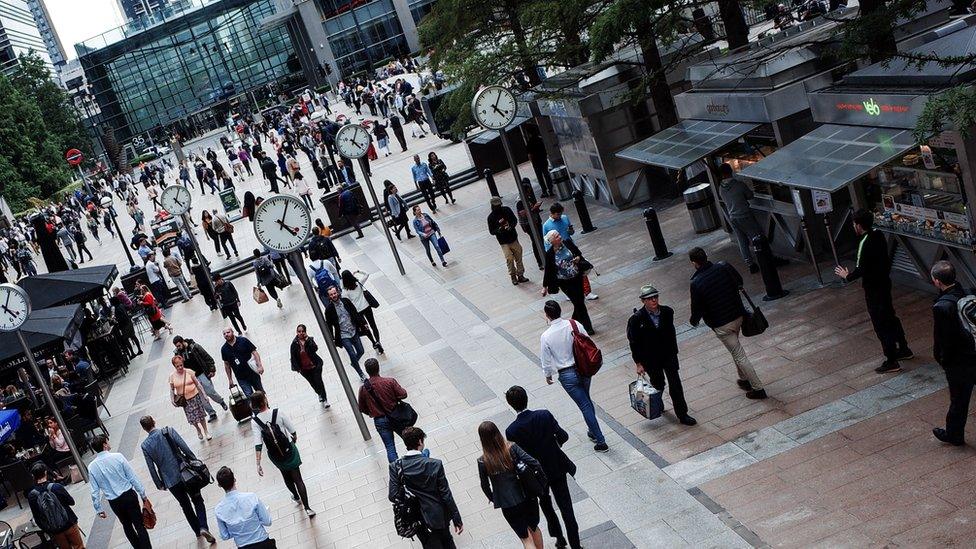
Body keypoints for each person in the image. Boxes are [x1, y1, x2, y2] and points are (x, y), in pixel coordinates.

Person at [834, 209, 912, 373]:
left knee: (881, 323)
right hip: (884, 283)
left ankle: (891, 360)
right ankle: (903, 348)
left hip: (874, 288)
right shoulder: (878, 235)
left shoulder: (864, 242)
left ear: (859, 225)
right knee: (890, 317)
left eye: (854, 224)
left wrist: (846, 276)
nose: (853, 227)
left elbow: (860, 268)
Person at [505, 386, 580, 549]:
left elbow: (517, 457)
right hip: (556, 467)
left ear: (510, 404)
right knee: (566, 507)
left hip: (536, 476)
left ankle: (559, 538)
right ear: (526, 398)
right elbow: (563, 435)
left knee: (547, 506)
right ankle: (575, 544)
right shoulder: (544, 415)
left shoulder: (511, 430)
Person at [688, 247, 767, 399]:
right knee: (736, 351)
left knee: (739, 355)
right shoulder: (723, 267)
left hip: (722, 324)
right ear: (706, 256)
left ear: (694, 263)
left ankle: (758, 388)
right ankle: (744, 380)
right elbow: (739, 282)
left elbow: (697, 308)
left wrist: (694, 321)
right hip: (738, 315)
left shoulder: (696, 283)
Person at [540, 300, 608, 452]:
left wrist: (548, 374)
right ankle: (592, 431)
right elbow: (587, 341)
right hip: (583, 368)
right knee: (587, 401)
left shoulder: (546, 336)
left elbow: (545, 359)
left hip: (566, 374)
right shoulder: (574, 324)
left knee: (584, 404)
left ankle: (601, 440)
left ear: (547, 315)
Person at [139, 416, 216, 543]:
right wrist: (194, 460)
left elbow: (151, 467)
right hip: (185, 473)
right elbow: (184, 447)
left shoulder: (145, 445)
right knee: (197, 499)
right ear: (154, 422)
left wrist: (159, 483)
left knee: (185, 505)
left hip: (170, 480)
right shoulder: (168, 431)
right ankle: (203, 526)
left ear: (144, 429)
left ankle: (197, 531)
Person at [627, 285, 696, 425]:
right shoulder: (636, 319)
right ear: (643, 301)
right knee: (658, 383)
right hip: (651, 359)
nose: (654, 300)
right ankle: (659, 402)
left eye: (655, 297)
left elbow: (671, 333)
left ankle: (682, 414)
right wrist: (638, 363)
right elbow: (633, 343)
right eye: (649, 298)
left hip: (668, 354)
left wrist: (673, 351)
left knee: (675, 384)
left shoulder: (667, 312)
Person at [388, 427, 463, 548]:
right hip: (438, 515)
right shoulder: (435, 464)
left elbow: (393, 496)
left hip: (415, 518)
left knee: (427, 544)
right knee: (447, 541)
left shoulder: (395, 466)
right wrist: (456, 517)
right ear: (420, 441)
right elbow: (446, 494)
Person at [477, 421, 544, 549]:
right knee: (534, 528)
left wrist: (494, 497)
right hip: (526, 495)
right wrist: (540, 482)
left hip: (507, 503)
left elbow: (484, 485)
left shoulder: (483, 461)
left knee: (525, 538)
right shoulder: (511, 447)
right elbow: (534, 463)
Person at [929, 261, 975, 446]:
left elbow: (944, 339)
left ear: (938, 282)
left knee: (959, 399)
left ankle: (954, 434)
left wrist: (942, 359)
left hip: (960, 362)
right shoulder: (970, 292)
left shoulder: (942, 306)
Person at [250, 391, 316, 517]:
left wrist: (258, 463)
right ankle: (307, 508)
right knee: (298, 479)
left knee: (286, 476)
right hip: (289, 450)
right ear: (265, 400)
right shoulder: (278, 412)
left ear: (255, 405)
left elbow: (258, 443)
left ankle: (296, 496)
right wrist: (293, 441)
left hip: (275, 455)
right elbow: (293, 431)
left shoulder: (255, 422)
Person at [88, 434, 152, 548]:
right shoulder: (118, 457)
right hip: (128, 495)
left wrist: (98, 508)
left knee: (127, 526)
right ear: (104, 445)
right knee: (139, 525)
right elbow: (132, 477)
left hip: (114, 501)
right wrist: (143, 495)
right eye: (107, 441)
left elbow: (94, 490)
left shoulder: (92, 467)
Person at [541, 231, 593, 333]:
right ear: (551, 241)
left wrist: (578, 258)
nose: (559, 237)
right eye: (556, 237)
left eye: (559, 235)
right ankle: (588, 328)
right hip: (564, 283)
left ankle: (572, 324)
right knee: (579, 303)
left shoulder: (568, 243)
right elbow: (548, 270)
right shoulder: (550, 254)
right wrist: (544, 286)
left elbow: (578, 253)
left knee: (580, 301)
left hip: (576, 277)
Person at [358, 358, 408, 462]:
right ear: (378, 368)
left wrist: (372, 411)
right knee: (410, 441)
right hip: (396, 416)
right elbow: (403, 394)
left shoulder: (363, 389)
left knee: (390, 448)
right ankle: (419, 462)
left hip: (380, 421)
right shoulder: (389, 381)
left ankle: (397, 470)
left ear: (367, 371)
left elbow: (362, 408)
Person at [718, 163, 764, 273]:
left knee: (742, 241)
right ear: (731, 171)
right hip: (745, 215)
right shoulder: (739, 185)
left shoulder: (721, 188)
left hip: (733, 217)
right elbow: (750, 196)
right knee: (757, 237)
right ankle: (765, 258)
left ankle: (750, 263)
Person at [214, 466, 276, 548]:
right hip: (263, 542)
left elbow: (225, 536)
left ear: (219, 485)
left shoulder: (219, 510)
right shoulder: (251, 497)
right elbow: (267, 521)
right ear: (234, 480)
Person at [27, 462, 85, 549]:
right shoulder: (56, 487)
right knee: (79, 547)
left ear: (33, 476)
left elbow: (37, 517)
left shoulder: (32, 495)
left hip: (54, 530)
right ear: (45, 473)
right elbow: (71, 502)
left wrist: (48, 530)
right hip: (69, 522)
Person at [174, 335, 227, 422]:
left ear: (183, 341)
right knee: (201, 397)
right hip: (191, 378)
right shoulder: (177, 353)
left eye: (179, 345)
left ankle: (221, 401)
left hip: (202, 373)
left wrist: (212, 369)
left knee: (210, 392)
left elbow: (206, 357)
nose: (178, 348)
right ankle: (211, 413)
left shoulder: (194, 347)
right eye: (176, 346)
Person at [323, 285, 367, 381]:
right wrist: (332, 338)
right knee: (351, 353)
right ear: (329, 296)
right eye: (331, 294)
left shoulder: (346, 301)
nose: (334, 295)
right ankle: (361, 373)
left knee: (361, 351)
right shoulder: (329, 310)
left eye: (334, 293)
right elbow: (329, 325)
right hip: (343, 335)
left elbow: (355, 312)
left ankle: (354, 363)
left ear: (338, 292)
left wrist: (363, 323)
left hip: (353, 331)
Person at [487, 196, 529, 286]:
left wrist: (511, 226)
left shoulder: (507, 210)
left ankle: (520, 274)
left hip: (513, 237)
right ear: (492, 206)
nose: (498, 207)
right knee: (509, 258)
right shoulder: (491, 217)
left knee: (519, 255)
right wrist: (499, 230)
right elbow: (491, 231)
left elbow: (514, 220)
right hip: (503, 241)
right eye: (496, 206)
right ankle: (513, 276)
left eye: (499, 205)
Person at [169, 355, 212, 441]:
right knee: (192, 419)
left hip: (195, 397)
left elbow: (198, 384)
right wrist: (172, 399)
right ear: (174, 366)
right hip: (185, 401)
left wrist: (204, 395)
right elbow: (171, 389)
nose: (180, 367)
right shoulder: (172, 376)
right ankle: (198, 429)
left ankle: (206, 431)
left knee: (201, 416)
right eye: (177, 366)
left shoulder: (189, 372)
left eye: (181, 365)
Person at [341, 269, 384, 353]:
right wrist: (357, 271)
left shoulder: (345, 292)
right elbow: (367, 274)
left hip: (358, 311)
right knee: (373, 325)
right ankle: (378, 340)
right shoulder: (358, 284)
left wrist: (343, 281)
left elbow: (343, 295)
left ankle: (373, 342)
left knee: (365, 327)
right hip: (367, 306)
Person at [289, 324, 329, 404]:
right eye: (299, 331)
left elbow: (315, 348)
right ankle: (319, 394)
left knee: (319, 381)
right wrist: (298, 369)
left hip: (315, 365)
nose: (300, 333)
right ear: (296, 332)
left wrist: (307, 339)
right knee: (313, 383)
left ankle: (325, 399)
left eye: (302, 331)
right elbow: (293, 357)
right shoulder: (294, 344)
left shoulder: (310, 340)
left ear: (305, 332)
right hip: (304, 369)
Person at [220, 327, 265, 397]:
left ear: (232, 332)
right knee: (249, 396)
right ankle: (255, 408)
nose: (226, 334)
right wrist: (230, 379)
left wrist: (259, 366)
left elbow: (254, 352)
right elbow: (226, 365)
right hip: (241, 377)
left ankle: (265, 407)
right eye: (224, 334)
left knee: (260, 392)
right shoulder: (224, 349)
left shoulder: (243, 341)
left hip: (252, 372)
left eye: (228, 332)